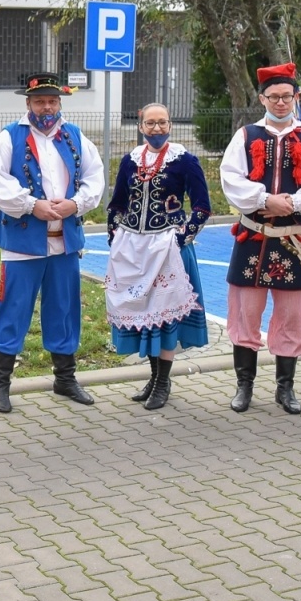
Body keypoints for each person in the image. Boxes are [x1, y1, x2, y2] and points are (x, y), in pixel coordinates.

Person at [218, 62, 301, 415]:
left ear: (296, 97)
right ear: (263, 98)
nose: (281, 102)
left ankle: (285, 388)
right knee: (245, 313)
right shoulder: (246, 136)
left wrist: (293, 203)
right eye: (274, 97)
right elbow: (231, 177)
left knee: (291, 315)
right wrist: (263, 200)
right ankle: (244, 386)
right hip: (252, 238)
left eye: (287, 96)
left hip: (292, 240)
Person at [0, 72, 106, 414]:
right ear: (28, 104)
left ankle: (65, 379)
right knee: (13, 310)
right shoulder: (10, 137)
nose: (47, 107)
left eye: (52, 101)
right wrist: (30, 204)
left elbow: (94, 179)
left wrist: (76, 204)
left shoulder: (75, 136)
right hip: (23, 244)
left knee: (64, 310)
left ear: (60, 103)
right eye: (40, 101)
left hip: (64, 242)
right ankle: (1, 386)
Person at [104, 102, 211, 410]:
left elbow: (203, 207)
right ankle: (153, 377)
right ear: (141, 127)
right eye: (150, 123)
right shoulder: (130, 160)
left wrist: (181, 237)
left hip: (168, 249)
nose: (156, 129)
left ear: (170, 125)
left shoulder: (185, 161)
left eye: (162, 123)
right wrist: (116, 238)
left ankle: (163, 382)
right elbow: (118, 204)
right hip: (134, 249)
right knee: (144, 313)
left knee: (163, 315)